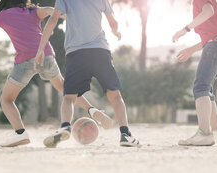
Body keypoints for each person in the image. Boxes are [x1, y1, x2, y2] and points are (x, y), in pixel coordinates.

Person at [0, 0, 113, 147]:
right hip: (46, 55)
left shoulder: (1, 16)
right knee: (66, 89)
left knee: (6, 99)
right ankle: (92, 110)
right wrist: (66, 14)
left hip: (25, 60)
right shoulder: (31, 11)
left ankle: (20, 133)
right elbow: (50, 11)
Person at [34, 0, 141, 148]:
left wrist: (41, 48)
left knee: (69, 97)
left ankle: (65, 126)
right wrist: (116, 31)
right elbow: (113, 21)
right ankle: (125, 134)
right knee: (114, 95)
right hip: (100, 51)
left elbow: (52, 20)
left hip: (76, 54)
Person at [172, 0, 217, 146]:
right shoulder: (215, 2)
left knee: (200, 87)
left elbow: (208, 12)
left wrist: (185, 29)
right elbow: (210, 37)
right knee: (206, 88)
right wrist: (190, 50)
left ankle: (204, 133)